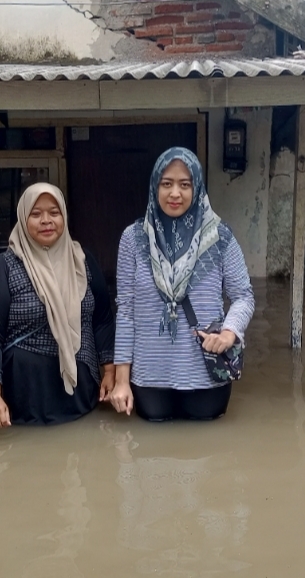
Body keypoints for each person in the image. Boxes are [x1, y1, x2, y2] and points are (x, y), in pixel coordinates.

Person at [108, 147, 255, 421]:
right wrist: (121, 380)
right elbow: (126, 312)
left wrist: (229, 333)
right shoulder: (133, 238)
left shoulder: (220, 237)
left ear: (196, 187)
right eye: (167, 183)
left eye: (184, 184)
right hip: (149, 376)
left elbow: (243, 296)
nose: (175, 193)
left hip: (206, 376)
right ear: (155, 186)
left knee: (207, 452)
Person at [0, 183, 115, 426]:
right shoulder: (4, 268)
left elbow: (103, 321)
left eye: (54, 213)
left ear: (64, 216)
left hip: (80, 396)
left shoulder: (83, 262)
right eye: (35, 214)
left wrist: (110, 371)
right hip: (25, 399)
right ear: (23, 219)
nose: (46, 220)